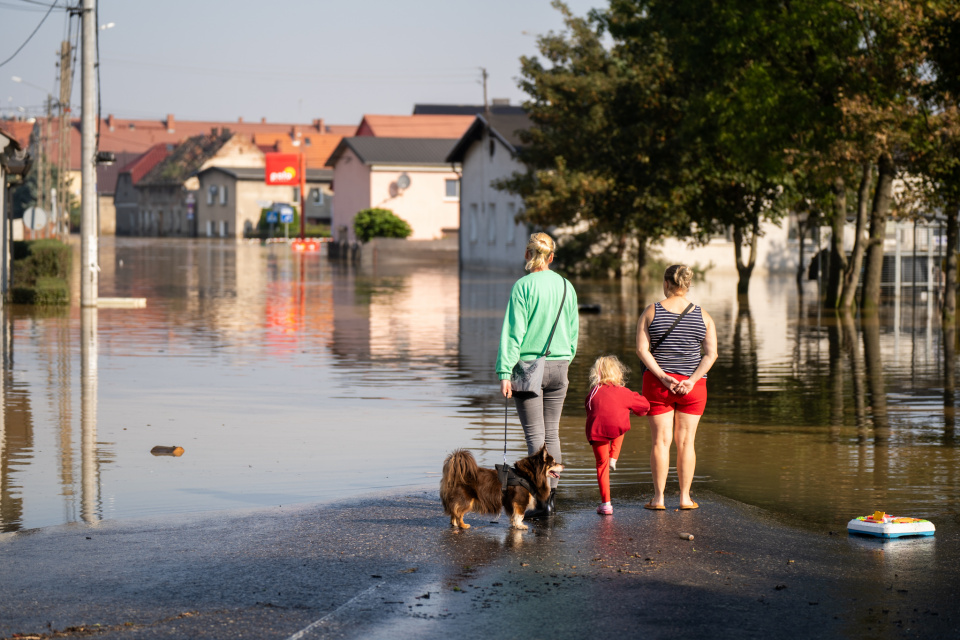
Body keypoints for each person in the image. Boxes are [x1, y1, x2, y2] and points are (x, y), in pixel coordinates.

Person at [496, 232, 579, 518]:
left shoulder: (523, 286)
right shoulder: (567, 286)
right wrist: (564, 359)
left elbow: (513, 333)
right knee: (551, 433)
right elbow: (573, 332)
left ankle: (541, 503)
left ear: (527, 255)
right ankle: (551, 500)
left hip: (529, 368)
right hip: (560, 366)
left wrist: (505, 371)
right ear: (552, 257)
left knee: (535, 437)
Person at [635, 265, 717, 511]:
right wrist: (691, 380)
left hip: (658, 385)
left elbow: (642, 350)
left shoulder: (652, 311)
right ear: (687, 285)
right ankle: (684, 498)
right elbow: (711, 355)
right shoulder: (704, 316)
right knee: (686, 443)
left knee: (660, 442)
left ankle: (659, 499)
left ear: (666, 283)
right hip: (693, 387)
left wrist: (661, 376)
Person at [584, 356, 650, 515]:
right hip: (617, 428)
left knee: (601, 465)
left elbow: (589, 407)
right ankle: (614, 456)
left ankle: (606, 504)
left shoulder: (593, 392)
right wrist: (636, 412)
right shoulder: (625, 392)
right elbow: (646, 405)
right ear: (618, 372)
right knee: (620, 421)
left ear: (597, 373)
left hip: (597, 431)